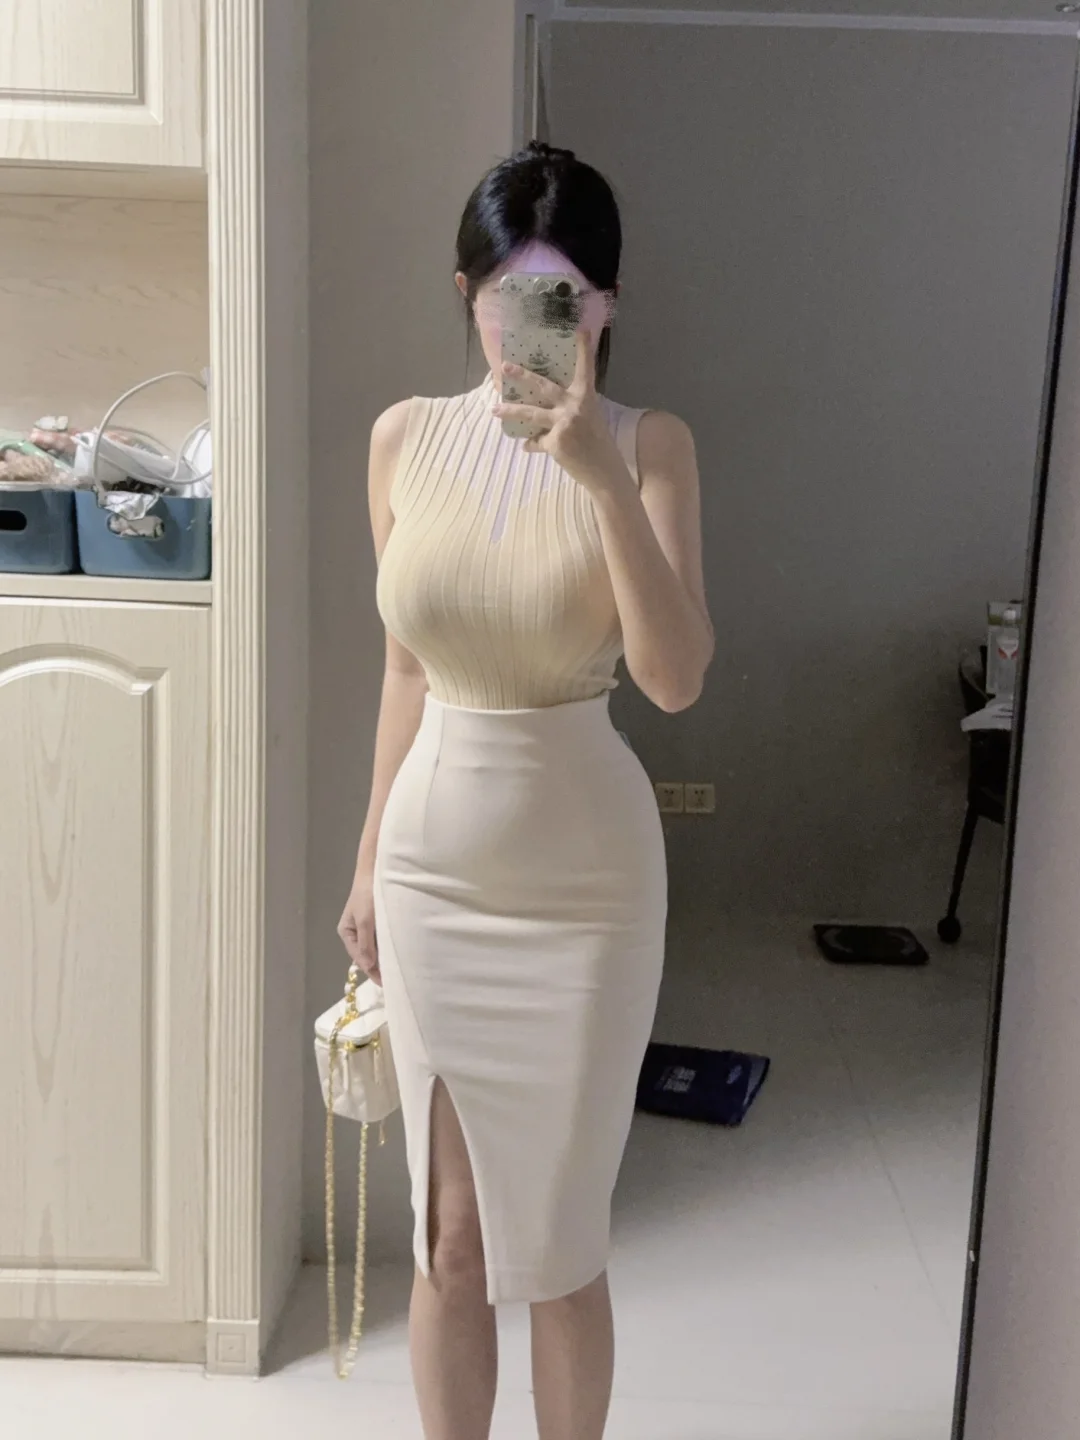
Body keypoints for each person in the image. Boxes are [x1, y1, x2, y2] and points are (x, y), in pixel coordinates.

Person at [338, 140, 714, 1440]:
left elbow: (673, 678)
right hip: (433, 872)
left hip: (586, 891)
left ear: (605, 305)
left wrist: (597, 473)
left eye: (566, 295)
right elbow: (404, 668)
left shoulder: (650, 447)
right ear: (467, 293)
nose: (534, 323)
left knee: (557, 1242)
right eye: (509, 294)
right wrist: (366, 863)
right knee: (448, 1236)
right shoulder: (403, 441)